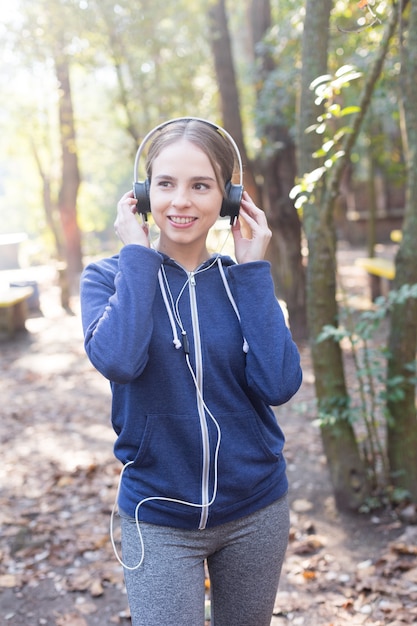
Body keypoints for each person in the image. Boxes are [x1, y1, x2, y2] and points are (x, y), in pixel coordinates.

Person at [80, 118, 302, 626]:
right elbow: (118, 359)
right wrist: (137, 255)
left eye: (200, 185)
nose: (181, 200)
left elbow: (280, 384)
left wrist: (252, 273)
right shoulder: (108, 278)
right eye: (165, 184)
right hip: (157, 519)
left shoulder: (240, 281)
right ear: (142, 193)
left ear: (227, 199)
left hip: (256, 510)